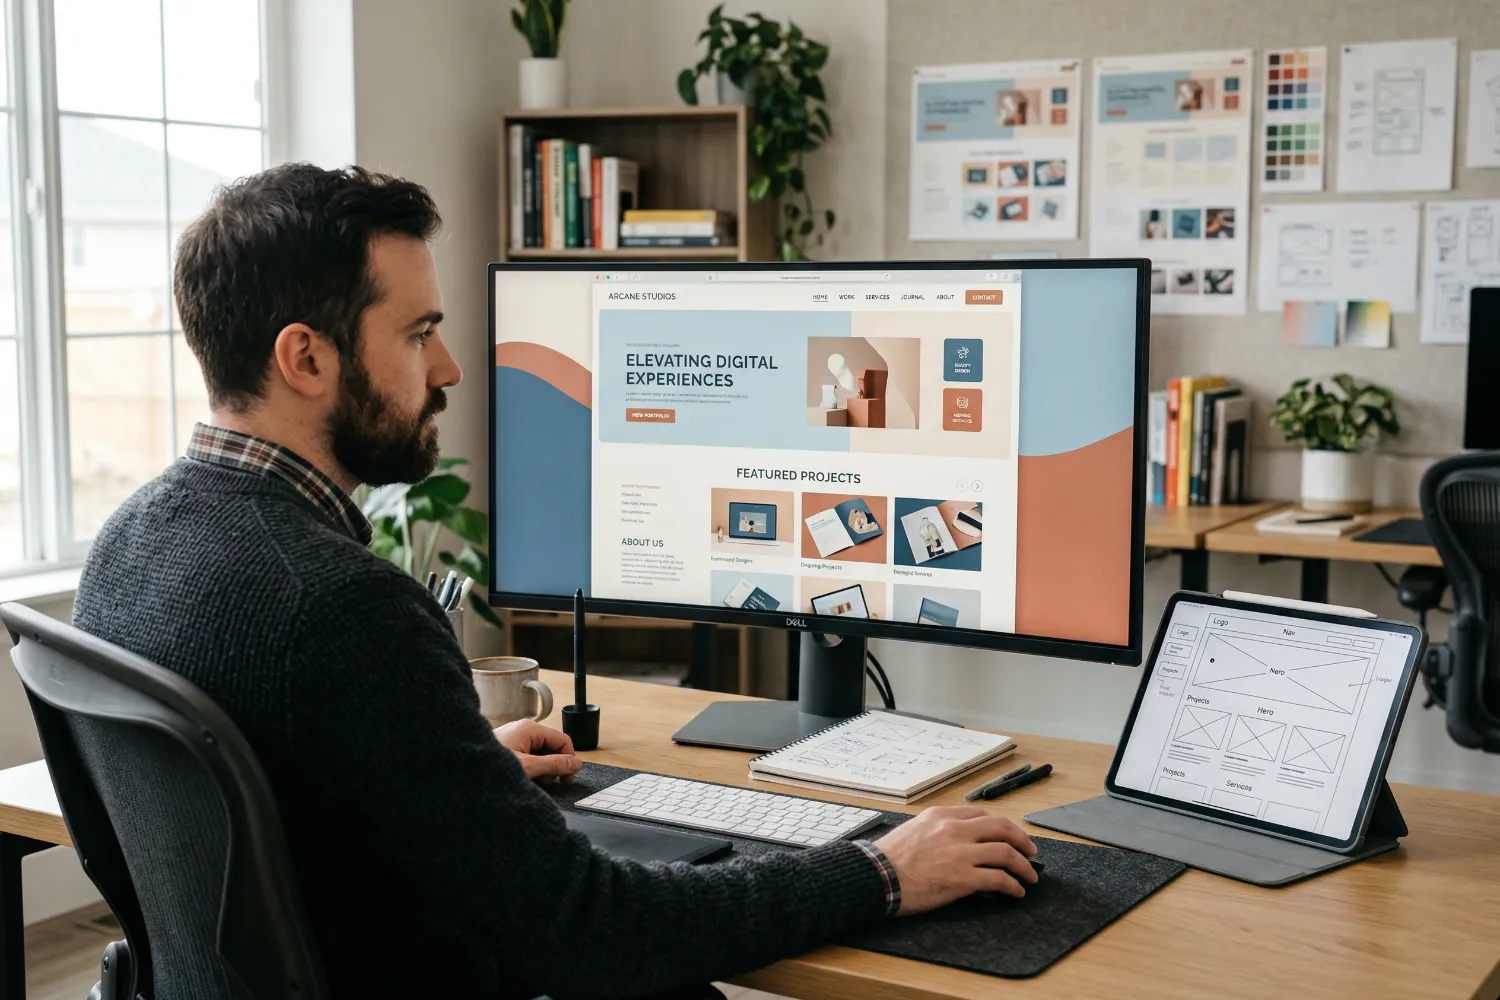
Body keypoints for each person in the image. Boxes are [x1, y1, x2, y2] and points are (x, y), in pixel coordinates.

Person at [71, 163, 1038, 999]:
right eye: (418, 334)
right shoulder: (344, 608)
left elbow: (201, 835)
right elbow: (590, 932)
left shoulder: (125, 546)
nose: (449, 367)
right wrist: (877, 871)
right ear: (306, 356)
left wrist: (445, 769)